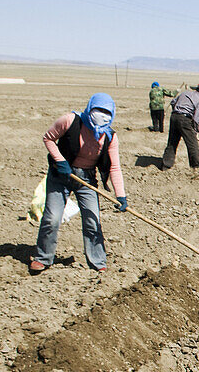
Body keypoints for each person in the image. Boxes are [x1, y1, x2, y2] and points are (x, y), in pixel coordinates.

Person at [30, 93, 127, 274]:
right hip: (61, 177)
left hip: (86, 179)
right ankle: (43, 258)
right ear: (90, 108)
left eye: (107, 112)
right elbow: (48, 138)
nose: (102, 115)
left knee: (92, 220)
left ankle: (98, 261)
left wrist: (120, 195)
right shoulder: (70, 120)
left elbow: (114, 168)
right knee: (52, 218)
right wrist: (60, 160)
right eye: (98, 110)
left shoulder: (110, 136)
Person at [161, 79, 199, 170]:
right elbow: (196, 120)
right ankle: (195, 166)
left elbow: (173, 102)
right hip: (185, 120)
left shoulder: (185, 93)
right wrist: (195, 131)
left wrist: (177, 112)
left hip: (174, 117)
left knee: (172, 142)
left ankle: (166, 165)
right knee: (192, 144)